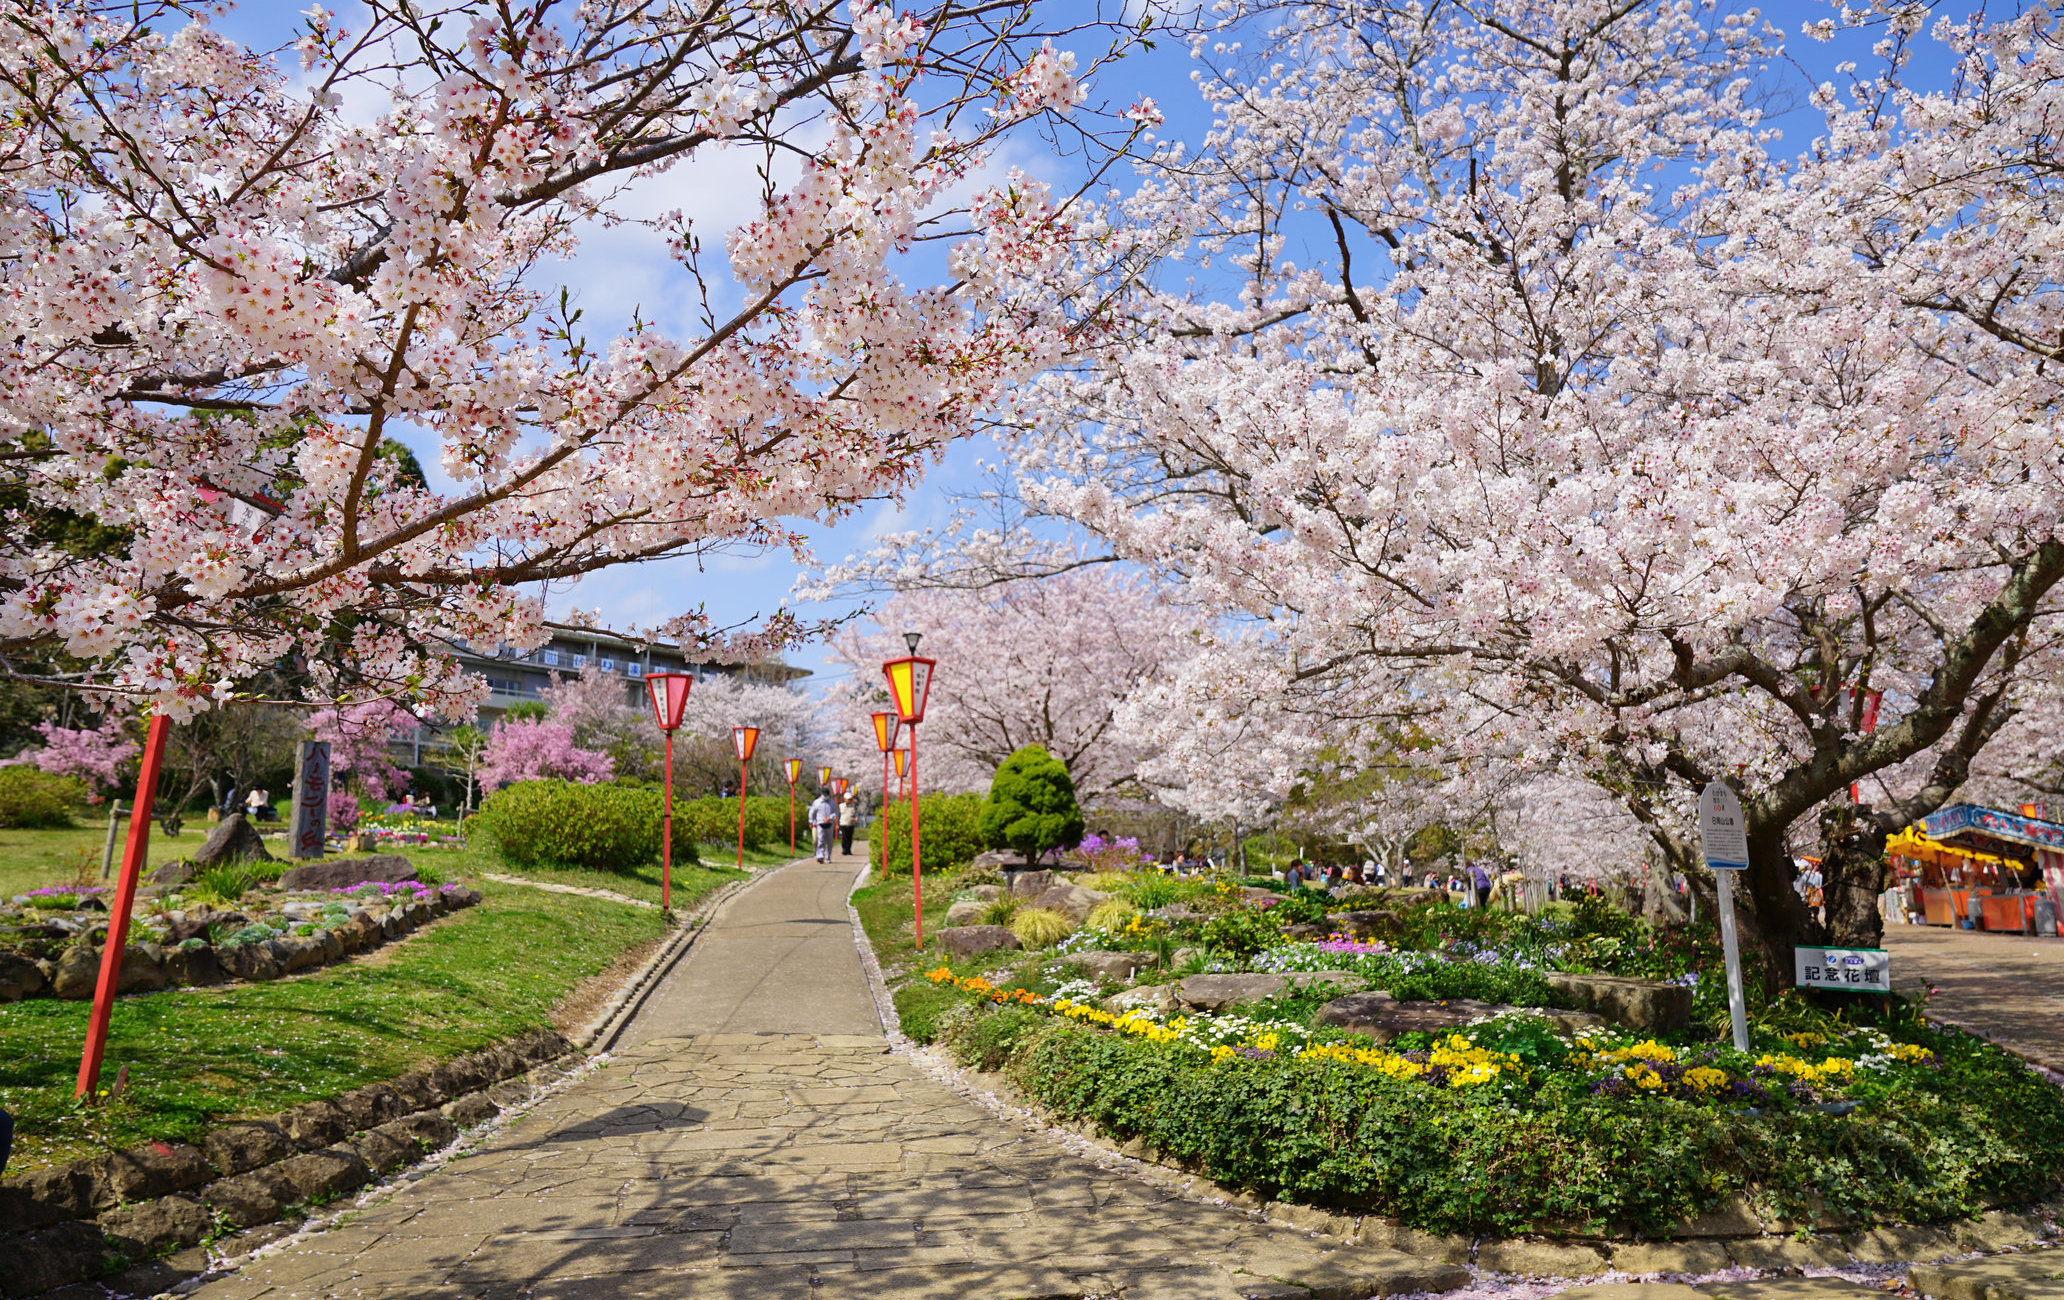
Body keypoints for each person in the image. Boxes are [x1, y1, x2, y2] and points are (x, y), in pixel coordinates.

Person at [808, 790, 835, 863]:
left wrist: (830, 817)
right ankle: (820, 856)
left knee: (829, 842)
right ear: (821, 794)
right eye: (824, 795)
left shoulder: (832, 802)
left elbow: (835, 812)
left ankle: (828, 857)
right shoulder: (817, 802)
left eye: (827, 795)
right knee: (820, 840)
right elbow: (812, 812)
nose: (826, 797)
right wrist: (810, 821)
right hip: (820, 823)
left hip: (829, 823)